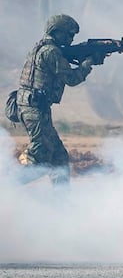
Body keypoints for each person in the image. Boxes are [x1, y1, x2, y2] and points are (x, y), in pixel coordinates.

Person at [15, 14, 95, 187]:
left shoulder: (41, 48)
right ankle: (8, 186)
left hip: (34, 108)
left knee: (59, 158)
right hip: (34, 109)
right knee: (39, 156)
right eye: (68, 34)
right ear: (56, 32)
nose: (70, 38)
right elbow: (72, 79)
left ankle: (61, 204)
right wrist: (87, 64)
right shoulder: (51, 51)